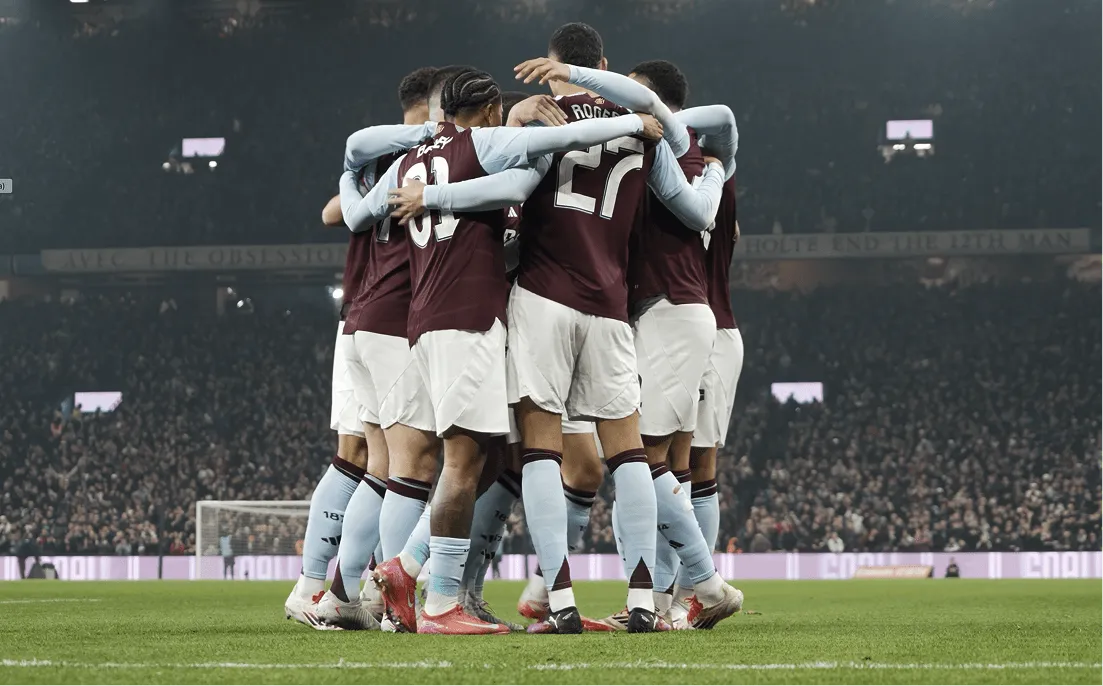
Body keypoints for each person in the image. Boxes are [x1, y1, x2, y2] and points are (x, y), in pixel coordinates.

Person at [353, 67, 665, 635]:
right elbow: (548, 154)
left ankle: (441, 581)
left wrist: (407, 183)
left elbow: (351, 209)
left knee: (489, 455)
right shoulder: (490, 144)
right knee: (465, 459)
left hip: (429, 319)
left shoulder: (409, 159)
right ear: (494, 109)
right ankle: (428, 587)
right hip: (477, 316)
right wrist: (635, 121)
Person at [504, 23, 728, 634]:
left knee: (543, 448)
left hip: (544, 293)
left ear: (552, 65)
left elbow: (506, 190)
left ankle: (559, 603)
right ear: (604, 63)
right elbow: (689, 210)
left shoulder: (539, 117)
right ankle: (639, 603)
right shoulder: (643, 126)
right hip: (611, 307)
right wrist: (712, 168)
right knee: (629, 453)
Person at [309, 67, 441, 631]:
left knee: (378, 463)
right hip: (385, 321)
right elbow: (336, 212)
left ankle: (338, 590)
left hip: (365, 321)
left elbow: (336, 211)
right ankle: (339, 589)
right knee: (381, 459)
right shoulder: (406, 155)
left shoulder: (381, 163)